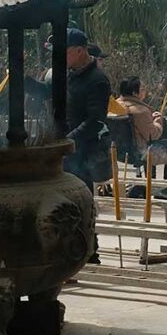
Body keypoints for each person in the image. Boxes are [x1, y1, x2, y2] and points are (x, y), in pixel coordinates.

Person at [64, 28, 112, 263]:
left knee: (82, 201)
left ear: (80, 51)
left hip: (83, 151)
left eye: (64, 51)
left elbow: (95, 121)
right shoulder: (69, 74)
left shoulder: (97, 80)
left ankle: (89, 250)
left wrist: (69, 140)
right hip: (67, 150)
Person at [116, 77, 167, 166]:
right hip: (140, 152)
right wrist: (158, 122)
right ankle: (165, 177)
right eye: (142, 89)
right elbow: (153, 135)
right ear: (134, 93)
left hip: (116, 151)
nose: (145, 91)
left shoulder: (114, 108)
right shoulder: (141, 111)